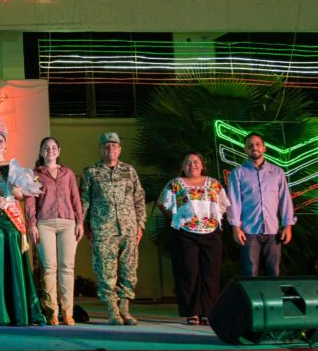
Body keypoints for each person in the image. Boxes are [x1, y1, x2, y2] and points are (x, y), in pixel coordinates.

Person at [0, 116, 46, 326]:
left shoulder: (16, 167)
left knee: (13, 260)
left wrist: (18, 193)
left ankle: (18, 311)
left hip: (11, 218)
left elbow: (22, 195)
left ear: (6, 144)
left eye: (0, 141)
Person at [81, 132, 146, 325]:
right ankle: (113, 310)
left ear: (120, 149)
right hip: (103, 229)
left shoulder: (129, 171)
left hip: (128, 228)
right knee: (106, 271)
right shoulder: (91, 172)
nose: (110, 149)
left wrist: (140, 225)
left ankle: (125, 309)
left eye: (114, 145)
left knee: (129, 270)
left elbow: (139, 199)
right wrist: (85, 226)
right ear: (100, 149)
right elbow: (84, 202)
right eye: (106, 146)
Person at [160, 153, 230, 325]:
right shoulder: (176, 183)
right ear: (183, 166)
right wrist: (178, 218)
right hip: (185, 234)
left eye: (196, 162)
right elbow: (163, 203)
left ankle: (209, 312)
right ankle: (192, 312)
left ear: (202, 165)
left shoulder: (213, 183)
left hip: (211, 233)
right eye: (187, 162)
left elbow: (224, 204)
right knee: (188, 273)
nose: (192, 165)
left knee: (211, 273)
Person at [27, 136, 84, 326]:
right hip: (45, 223)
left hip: (68, 223)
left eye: (53, 147)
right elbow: (31, 201)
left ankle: (68, 313)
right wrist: (32, 224)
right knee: (49, 268)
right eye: (46, 147)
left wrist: (80, 222)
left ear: (58, 151)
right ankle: (52, 312)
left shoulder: (68, 173)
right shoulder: (34, 174)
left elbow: (75, 198)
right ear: (41, 152)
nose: (50, 150)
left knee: (67, 267)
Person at [226, 132, 296, 277]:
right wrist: (235, 227)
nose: (254, 147)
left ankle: (273, 293)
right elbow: (233, 202)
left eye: (258, 144)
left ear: (264, 148)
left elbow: (285, 199)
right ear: (245, 149)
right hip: (248, 231)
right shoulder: (237, 173)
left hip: (273, 230)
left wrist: (288, 225)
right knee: (250, 273)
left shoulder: (277, 172)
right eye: (250, 145)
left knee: (274, 273)